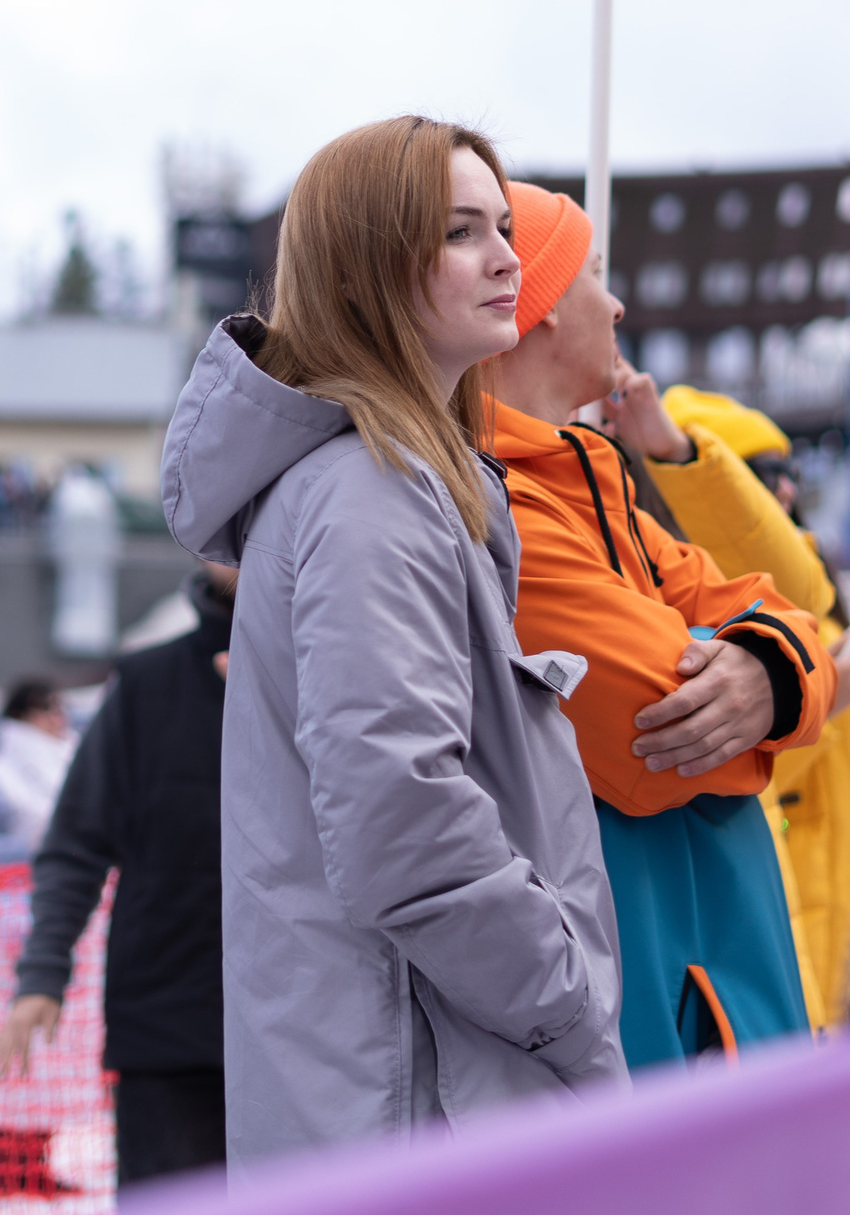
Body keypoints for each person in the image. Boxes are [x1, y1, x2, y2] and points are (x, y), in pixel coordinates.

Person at [161, 116, 625, 1164]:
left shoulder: (384, 479)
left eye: (502, 227)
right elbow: (403, 821)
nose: (505, 258)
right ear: (365, 269)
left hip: (407, 1080)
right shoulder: (372, 491)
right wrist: (570, 1002)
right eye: (460, 232)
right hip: (425, 1094)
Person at [483, 183, 834, 1068]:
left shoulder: (596, 488)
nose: (616, 305)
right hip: (650, 1015)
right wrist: (771, 675)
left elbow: (795, 618)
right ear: (541, 307)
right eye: (595, 274)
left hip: (711, 988)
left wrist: (770, 670)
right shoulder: (498, 510)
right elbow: (661, 733)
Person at [614, 380, 850, 1031]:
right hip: (770, 977)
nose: (782, 490)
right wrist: (817, 706)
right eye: (759, 474)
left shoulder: (820, 623)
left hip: (839, 976)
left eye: (787, 472)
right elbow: (733, 790)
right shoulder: (687, 630)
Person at [0, 564, 234, 1191]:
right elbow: (77, 843)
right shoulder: (148, 684)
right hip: (170, 1033)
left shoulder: (341, 673)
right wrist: (43, 972)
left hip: (320, 1035)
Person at [0, 680, 81, 1198]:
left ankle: (40, 1160)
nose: (60, 720)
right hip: (4, 934)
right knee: (8, 1041)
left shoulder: (71, 767)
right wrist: (37, 853)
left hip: (62, 929)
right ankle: (5, 1163)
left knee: (56, 1049)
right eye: (51, 709)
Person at [0, 681, 76, 866]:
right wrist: (37, 849)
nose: (59, 718)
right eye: (49, 708)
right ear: (22, 715)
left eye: (62, 709)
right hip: (15, 882)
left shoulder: (77, 764)